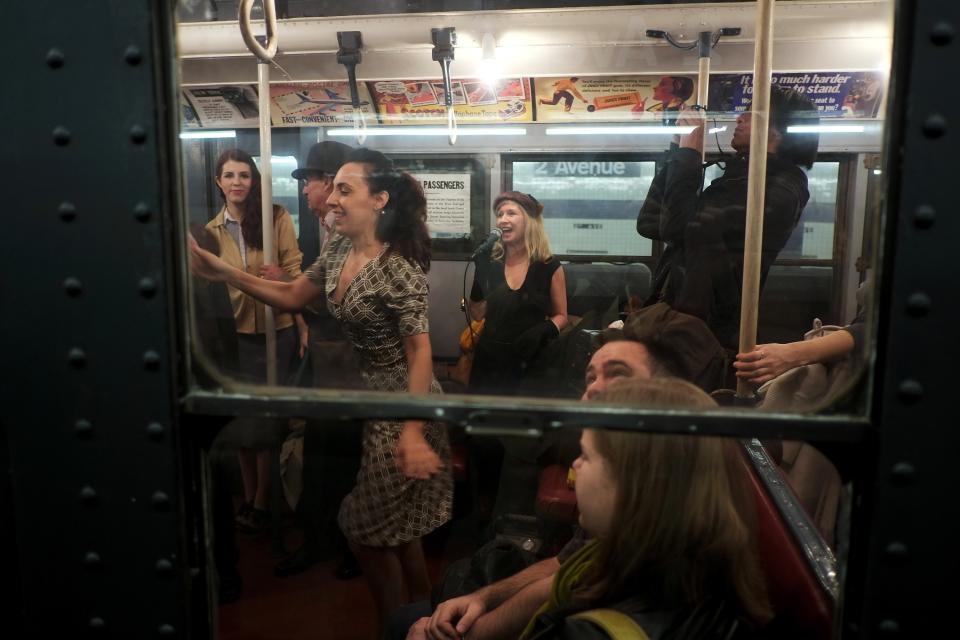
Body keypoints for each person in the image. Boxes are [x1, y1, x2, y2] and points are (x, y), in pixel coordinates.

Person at [190, 147, 454, 638]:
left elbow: (420, 354)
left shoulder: (398, 268)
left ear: (380, 200)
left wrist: (414, 431)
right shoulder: (338, 251)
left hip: (403, 404)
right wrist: (222, 271)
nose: (331, 198)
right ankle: (421, 620)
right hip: (371, 399)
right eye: (332, 187)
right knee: (402, 533)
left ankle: (393, 628)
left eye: (344, 189)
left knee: (364, 530)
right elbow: (291, 296)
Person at [398, 336, 676, 640]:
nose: (594, 388)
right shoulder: (621, 505)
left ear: (664, 392)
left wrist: (469, 634)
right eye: (590, 378)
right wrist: (484, 599)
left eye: (618, 374)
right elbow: (563, 569)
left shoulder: (657, 524)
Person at [516, 378, 772, 640]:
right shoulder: (713, 583)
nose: (575, 464)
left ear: (635, 484)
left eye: (585, 455)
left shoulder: (588, 634)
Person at [637, 85, 820, 350]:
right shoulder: (739, 177)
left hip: (704, 333)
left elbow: (677, 227)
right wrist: (680, 150)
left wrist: (688, 154)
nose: (739, 118)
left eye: (751, 113)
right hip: (675, 318)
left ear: (778, 129)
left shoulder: (779, 189)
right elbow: (651, 222)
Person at [271, 141, 365, 580]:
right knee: (320, 457)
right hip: (326, 361)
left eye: (308, 181)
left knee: (343, 459)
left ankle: (349, 546)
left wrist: (289, 290)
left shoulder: (348, 234)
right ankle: (320, 538)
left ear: (330, 184)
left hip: (346, 366)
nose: (305, 191)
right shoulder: (326, 230)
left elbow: (331, 299)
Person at [205, 148, 309, 534]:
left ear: (254, 181)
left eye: (244, 176)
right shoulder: (212, 231)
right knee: (241, 426)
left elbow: (295, 274)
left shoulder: (275, 218)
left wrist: (300, 321)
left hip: (273, 330)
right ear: (219, 181)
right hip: (233, 337)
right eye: (230, 175)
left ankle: (264, 500)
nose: (237, 183)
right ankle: (249, 496)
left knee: (266, 422)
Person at [468, 192, 568, 395]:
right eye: (500, 214)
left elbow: (562, 316)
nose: (502, 219)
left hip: (530, 361)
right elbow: (477, 314)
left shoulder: (548, 266)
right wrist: (480, 273)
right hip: (489, 360)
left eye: (511, 213)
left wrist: (545, 329)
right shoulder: (493, 263)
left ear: (530, 221)